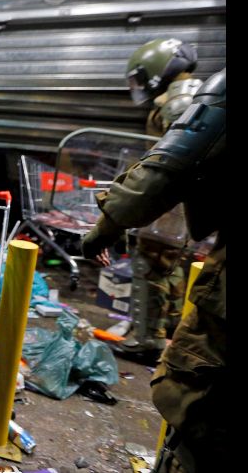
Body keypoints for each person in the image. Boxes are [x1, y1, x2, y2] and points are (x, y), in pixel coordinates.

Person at [81, 68, 225, 473]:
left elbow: (165, 168)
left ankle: (148, 339)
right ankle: (154, 336)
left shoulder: (190, 100)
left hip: (166, 224)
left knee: (200, 413)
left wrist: (108, 224)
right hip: (177, 228)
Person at [115, 39, 203, 357]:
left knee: (150, 263)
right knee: (173, 266)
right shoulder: (196, 95)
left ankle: (148, 339)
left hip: (170, 200)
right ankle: (169, 334)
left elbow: (171, 159)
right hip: (184, 202)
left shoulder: (178, 103)